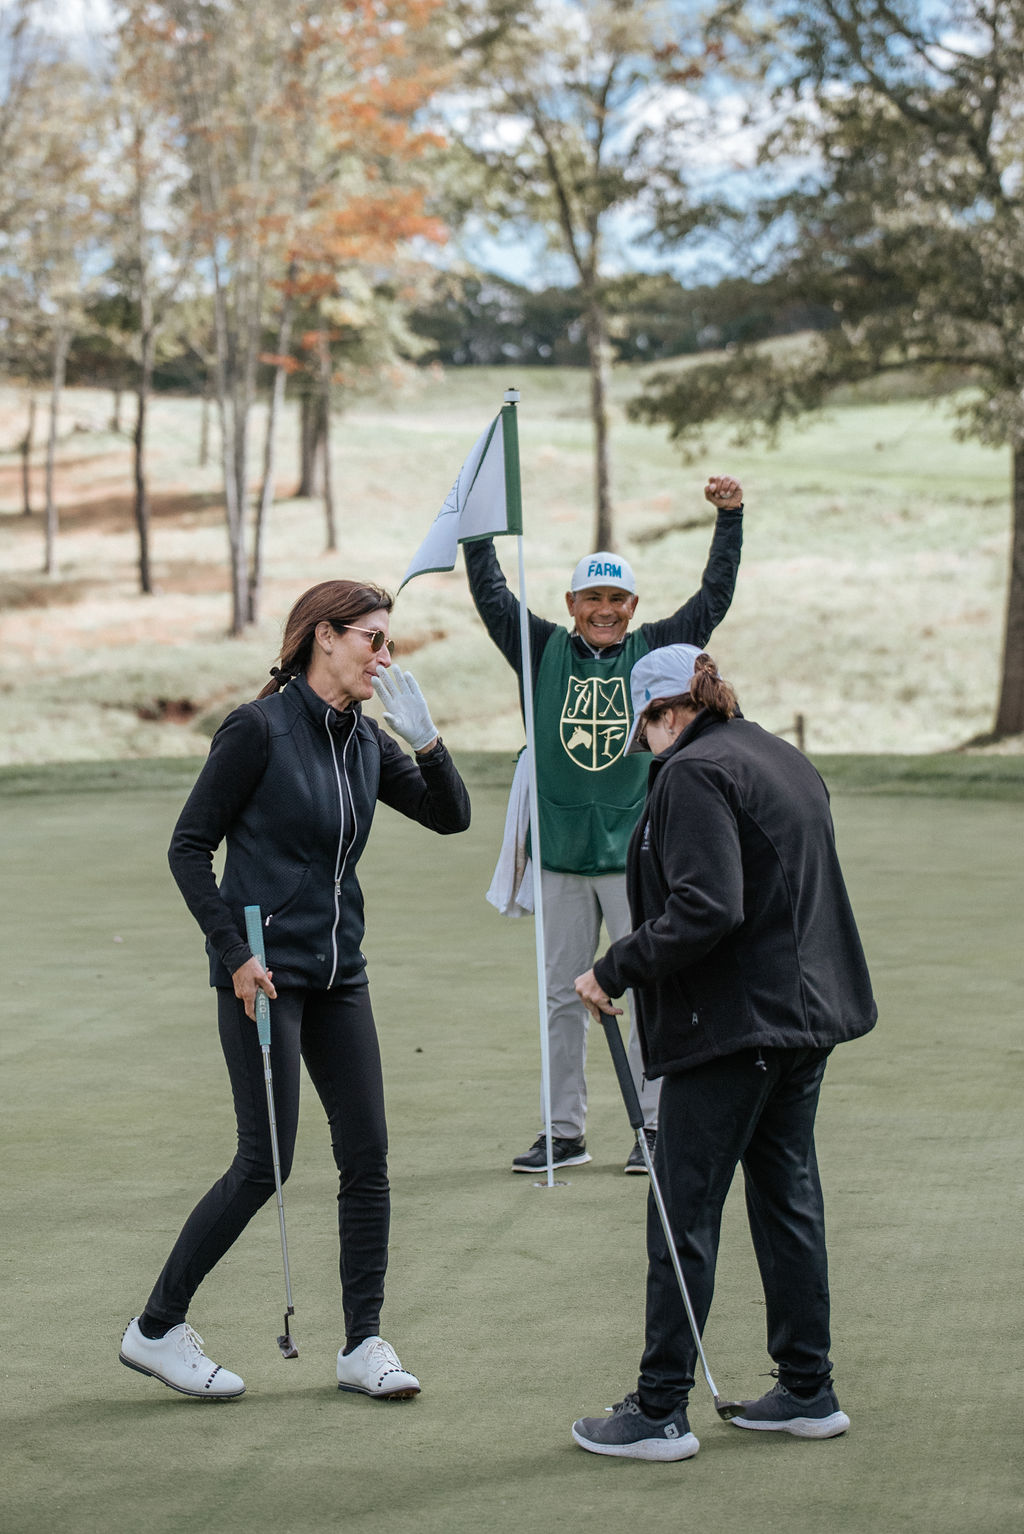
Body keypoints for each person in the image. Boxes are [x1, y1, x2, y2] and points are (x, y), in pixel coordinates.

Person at [119, 579, 470, 1401]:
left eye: (389, 642)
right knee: (265, 1160)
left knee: (368, 1156)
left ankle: (363, 1345)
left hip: (339, 971)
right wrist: (235, 953)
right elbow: (188, 847)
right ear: (325, 637)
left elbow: (449, 816)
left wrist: (427, 742)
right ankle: (156, 1329)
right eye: (374, 639)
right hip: (263, 977)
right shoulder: (258, 729)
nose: (385, 657)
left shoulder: (365, 739)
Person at [571, 644, 876, 1461]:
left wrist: (614, 967)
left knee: (683, 1210)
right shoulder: (778, 754)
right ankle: (807, 1390)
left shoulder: (693, 773)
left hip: (736, 1028)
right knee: (786, 1198)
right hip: (802, 1021)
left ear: (663, 714)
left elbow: (708, 906)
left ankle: (660, 1409)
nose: (646, 749)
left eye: (644, 732)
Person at [464, 476, 744, 1174]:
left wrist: (730, 519)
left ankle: (655, 1127)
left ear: (633, 607)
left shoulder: (658, 646)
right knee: (561, 996)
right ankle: (563, 1131)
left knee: (648, 991)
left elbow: (712, 600)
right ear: (572, 605)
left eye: (617, 599)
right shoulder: (539, 648)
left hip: (636, 857)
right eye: (592, 598)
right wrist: (476, 526)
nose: (605, 610)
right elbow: (491, 593)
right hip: (560, 854)